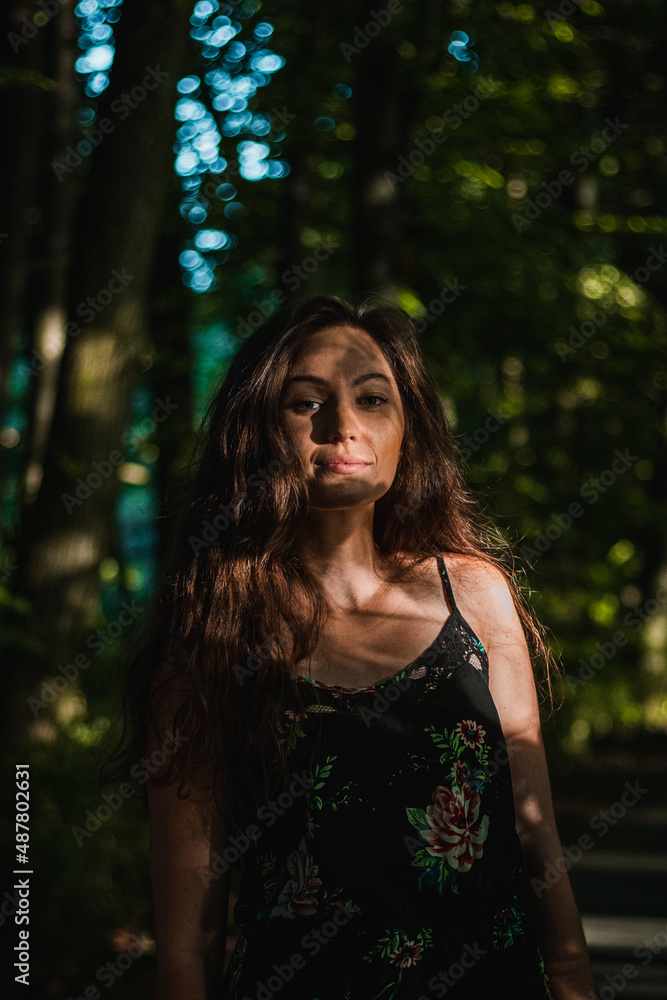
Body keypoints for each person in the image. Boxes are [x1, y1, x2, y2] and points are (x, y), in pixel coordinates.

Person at [105, 294, 595, 999]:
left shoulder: (474, 596)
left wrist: (572, 979)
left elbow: (534, 836)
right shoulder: (210, 638)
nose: (343, 427)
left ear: (408, 429)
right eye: (305, 404)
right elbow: (189, 941)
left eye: (372, 398)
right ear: (257, 432)